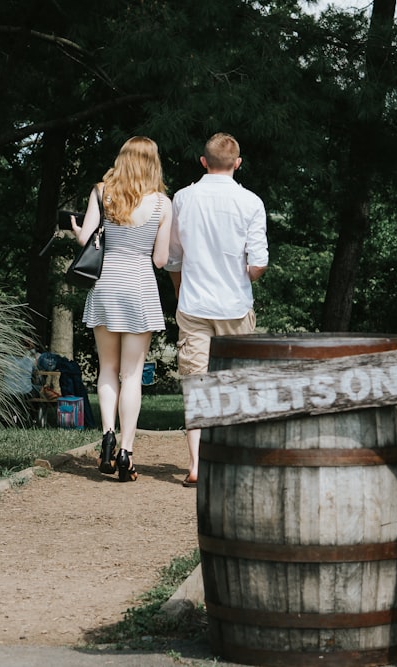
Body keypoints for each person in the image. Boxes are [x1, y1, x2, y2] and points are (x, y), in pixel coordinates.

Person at [166, 132, 268, 487]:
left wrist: (180, 294)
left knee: (196, 384)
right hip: (235, 306)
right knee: (236, 384)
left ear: (204, 161)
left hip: (194, 304)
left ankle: (196, 465)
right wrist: (244, 274)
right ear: (238, 163)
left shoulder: (183, 198)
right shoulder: (251, 202)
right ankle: (234, 459)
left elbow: (173, 258)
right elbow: (258, 264)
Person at [70, 136, 172, 482]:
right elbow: (160, 260)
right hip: (140, 285)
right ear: (152, 163)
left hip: (106, 284)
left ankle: (107, 435)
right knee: (132, 374)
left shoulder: (102, 191)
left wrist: (75, 230)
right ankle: (127, 451)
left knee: (107, 370)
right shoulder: (162, 204)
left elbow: (86, 239)